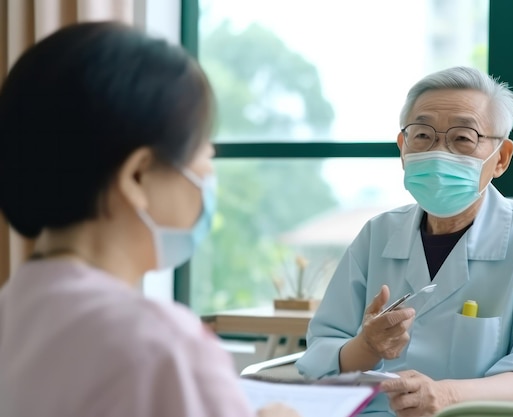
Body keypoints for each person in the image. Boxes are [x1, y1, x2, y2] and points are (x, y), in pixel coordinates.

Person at [0, 22, 299, 417]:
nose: (208, 178)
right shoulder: (163, 348)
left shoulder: (13, 313)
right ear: (138, 176)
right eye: (204, 155)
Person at [296, 66, 513, 416]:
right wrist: (367, 345)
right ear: (403, 148)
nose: (439, 153)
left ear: (502, 158)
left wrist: (449, 396)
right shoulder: (377, 235)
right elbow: (321, 355)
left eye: (463, 138)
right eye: (423, 135)